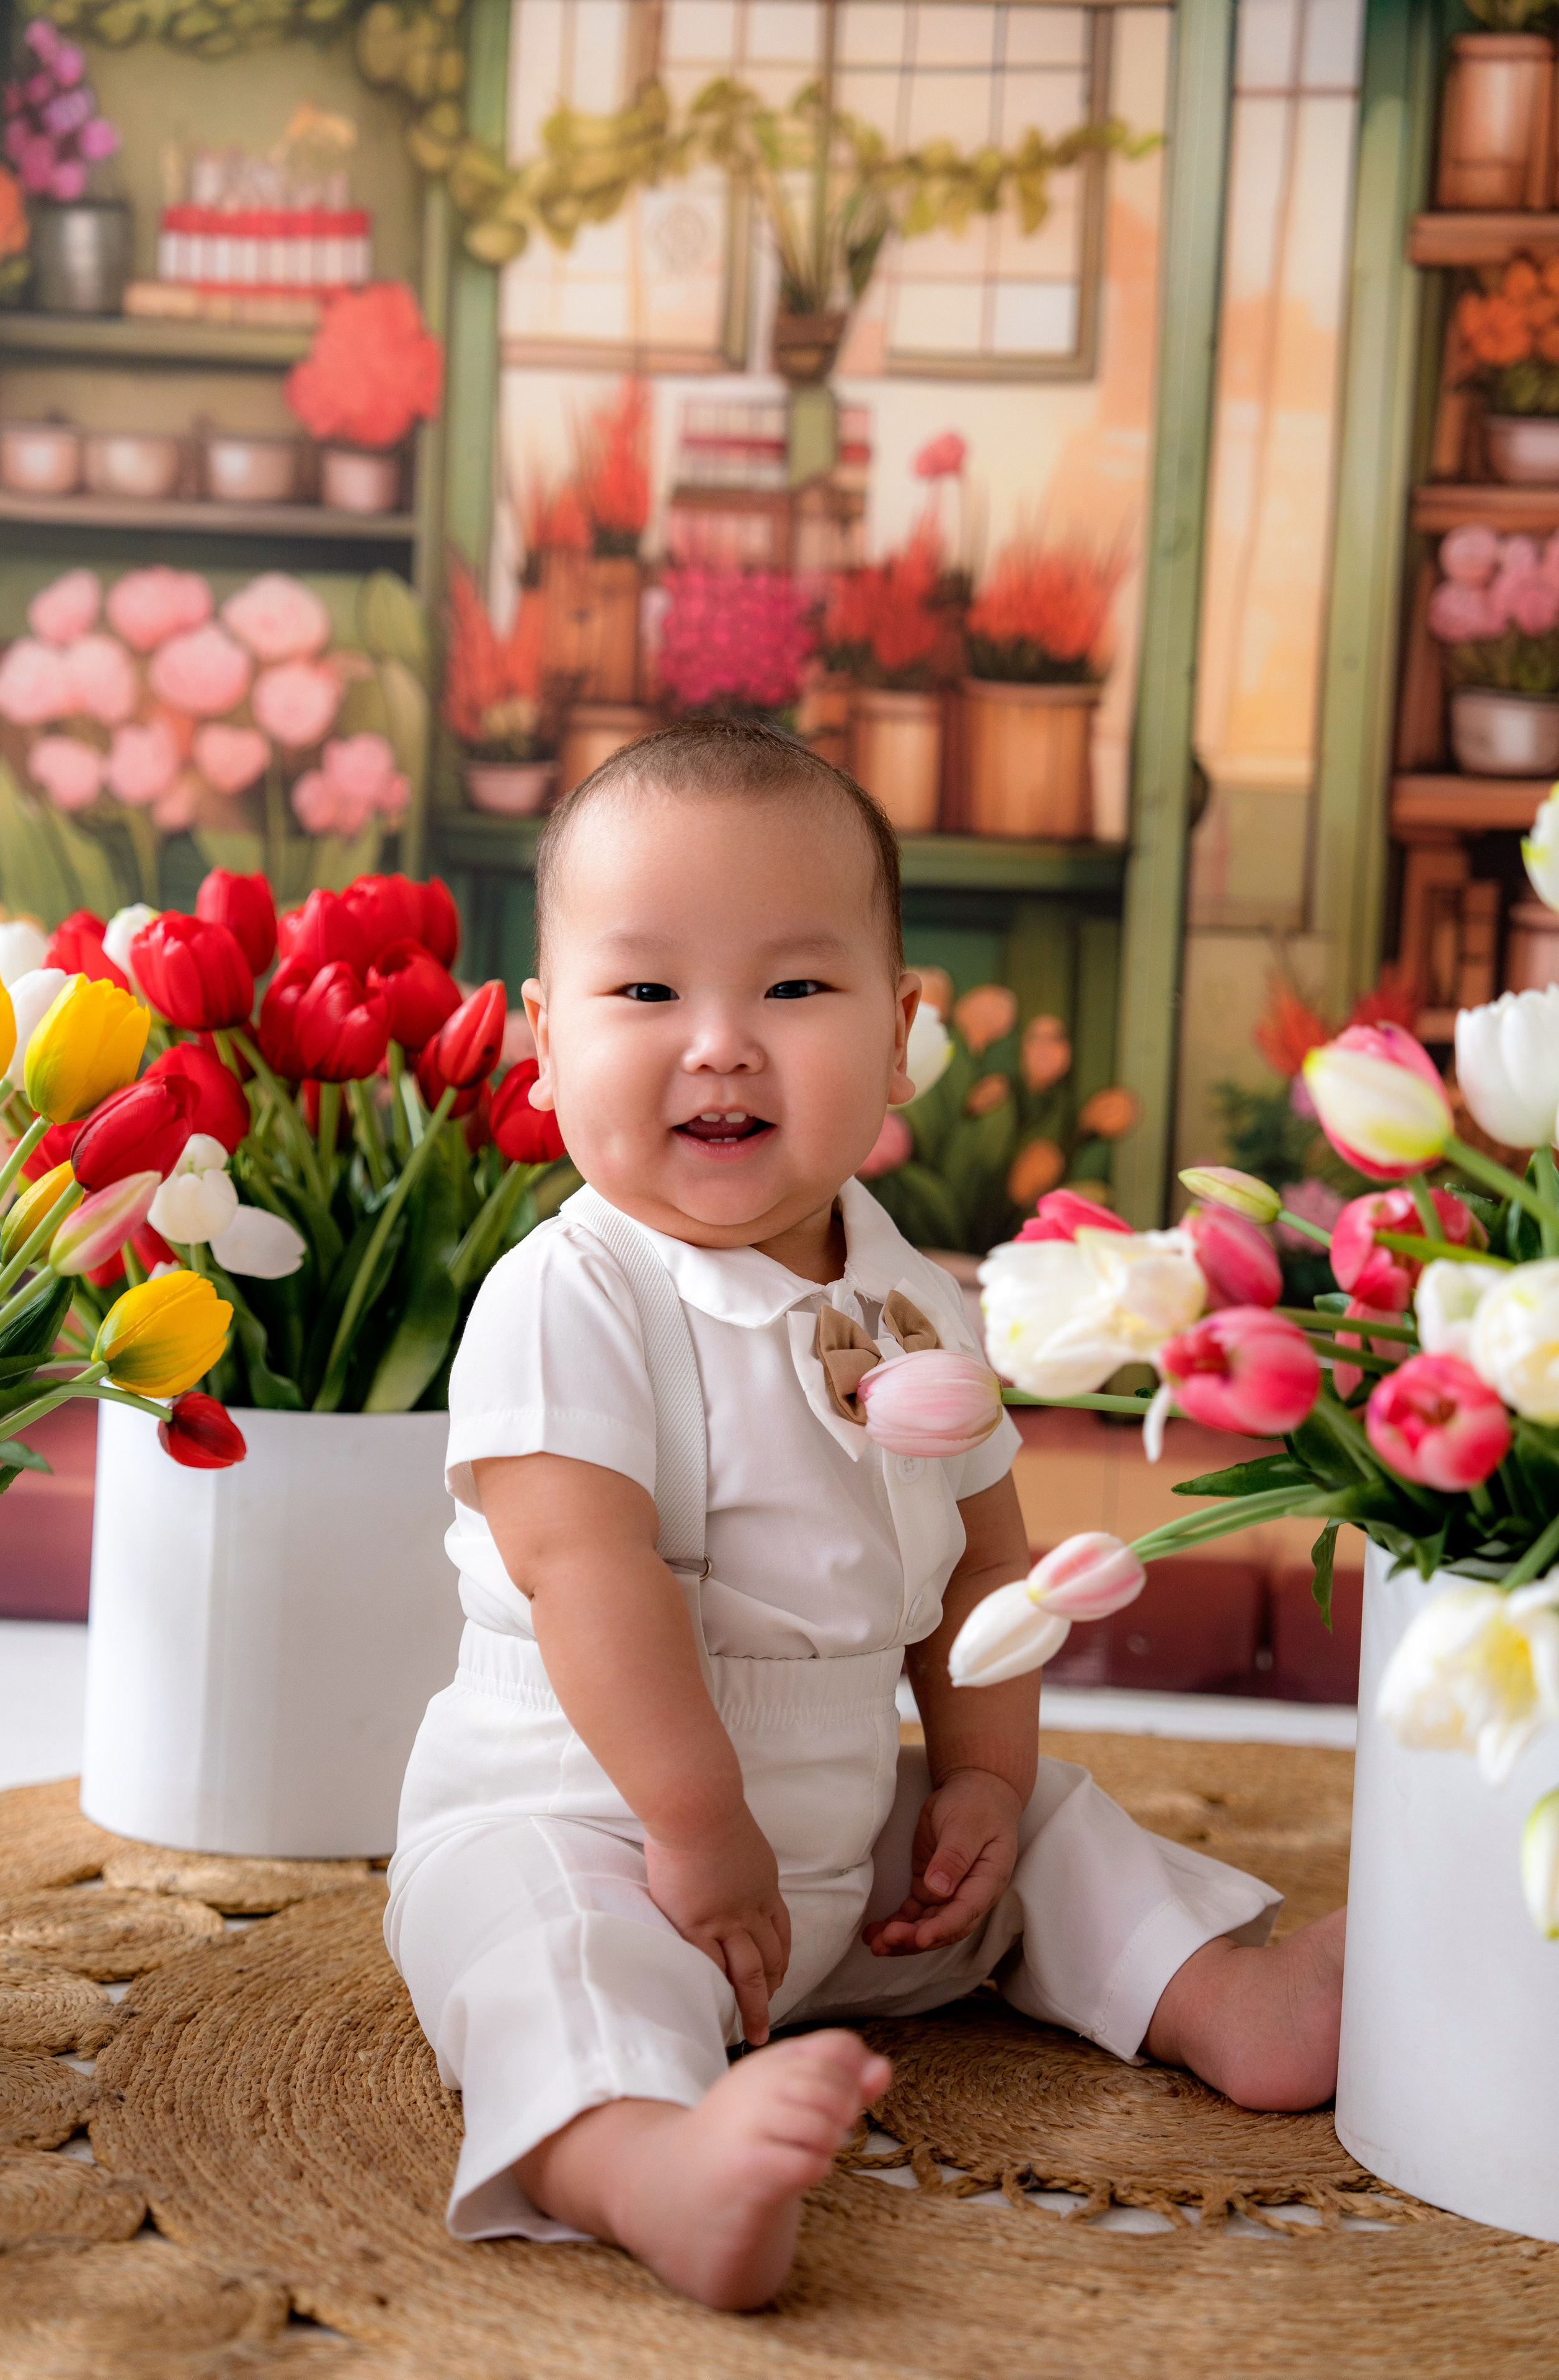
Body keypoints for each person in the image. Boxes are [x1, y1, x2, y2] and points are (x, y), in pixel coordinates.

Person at [385, 717, 1346, 2311]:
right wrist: (696, 1826)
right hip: (598, 1807)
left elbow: (982, 1564)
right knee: (557, 1959)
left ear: (898, 1036)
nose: (718, 1043)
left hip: (834, 1837)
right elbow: (585, 1574)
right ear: (543, 1041)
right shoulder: (573, 1292)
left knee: (1042, 1836)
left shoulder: (911, 1288)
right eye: (645, 992)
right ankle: (645, 2158)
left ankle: (1213, 1997)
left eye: (792, 986)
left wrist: (979, 1773)